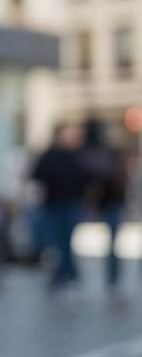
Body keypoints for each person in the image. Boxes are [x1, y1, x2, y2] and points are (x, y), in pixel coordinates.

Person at [30, 123, 86, 291]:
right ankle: (63, 276)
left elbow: (83, 179)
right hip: (52, 205)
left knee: (66, 242)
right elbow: (36, 176)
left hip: (70, 204)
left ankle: (69, 276)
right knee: (54, 243)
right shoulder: (48, 155)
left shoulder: (75, 155)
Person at [78, 118, 128, 294]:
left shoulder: (90, 152)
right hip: (109, 201)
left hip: (109, 201)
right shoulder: (104, 152)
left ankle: (111, 279)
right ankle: (111, 279)